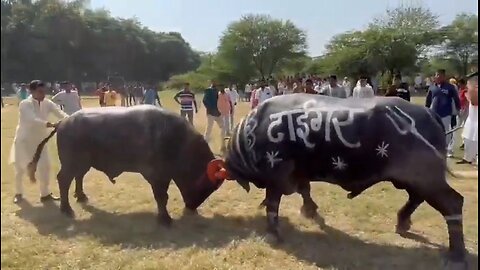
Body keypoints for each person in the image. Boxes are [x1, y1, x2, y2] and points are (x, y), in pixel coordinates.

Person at [9, 80, 68, 203]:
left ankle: (45, 194)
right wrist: (49, 124)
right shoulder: (25, 104)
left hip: (40, 142)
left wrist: (71, 120)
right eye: (40, 92)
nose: (43, 94)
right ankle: (18, 193)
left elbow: (60, 113)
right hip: (24, 141)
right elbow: (32, 119)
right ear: (32, 91)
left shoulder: (47, 103)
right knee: (20, 168)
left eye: (44, 91)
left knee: (45, 167)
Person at [425, 69, 461, 157]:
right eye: (436, 75)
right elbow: (428, 100)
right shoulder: (432, 87)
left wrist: (458, 109)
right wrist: (426, 110)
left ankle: (448, 149)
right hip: (434, 113)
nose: (437, 77)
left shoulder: (450, 87)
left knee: (447, 132)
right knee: (434, 131)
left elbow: (456, 99)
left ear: (444, 77)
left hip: (446, 114)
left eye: (439, 75)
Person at [457, 71, 478, 165]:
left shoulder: (473, 91)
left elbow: (474, 101)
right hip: (472, 120)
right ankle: (468, 158)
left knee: (474, 140)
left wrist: (468, 95)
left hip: (476, 121)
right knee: (468, 139)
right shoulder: (470, 90)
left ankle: (473, 158)